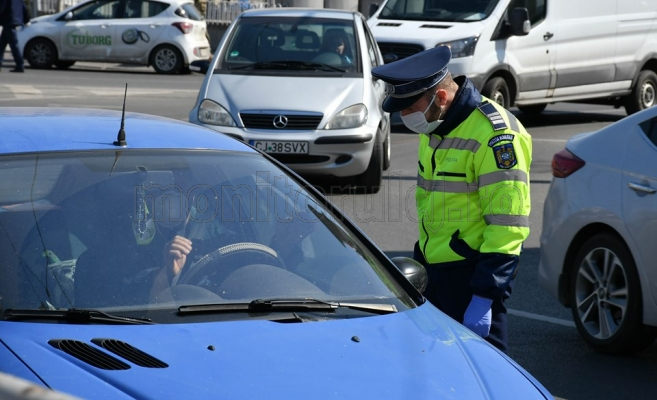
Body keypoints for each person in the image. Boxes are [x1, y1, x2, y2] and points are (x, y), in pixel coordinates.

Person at [371, 46, 531, 353]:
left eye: (409, 108)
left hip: (473, 281)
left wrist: (485, 296)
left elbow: (508, 226)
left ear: (441, 98)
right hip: (433, 274)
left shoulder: (496, 136)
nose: (405, 117)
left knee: (486, 379)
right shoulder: (435, 126)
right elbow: (433, 205)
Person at [0, 0, 29, 72]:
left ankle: (20, 65)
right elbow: (23, 6)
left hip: (9, 20)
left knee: (14, 45)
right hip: (14, 20)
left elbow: (2, 6)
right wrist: (26, 19)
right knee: (1, 45)